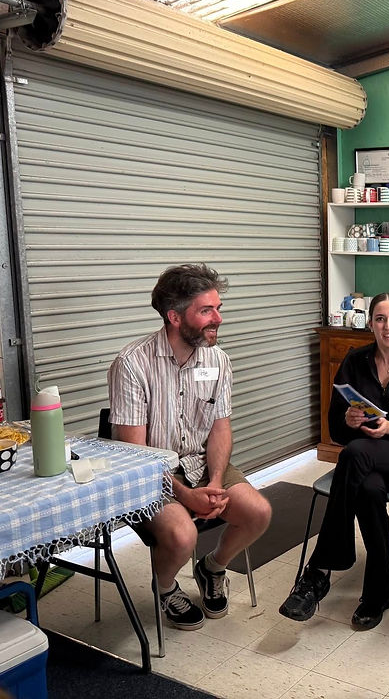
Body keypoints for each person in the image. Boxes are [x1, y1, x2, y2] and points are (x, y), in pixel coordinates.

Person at [107, 263, 272, 631]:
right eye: (206, 311)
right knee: (184, 535)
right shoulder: (132, 364)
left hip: (200, 464)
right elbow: (135, 456)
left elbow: (220, 427)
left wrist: (214, 481)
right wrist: (185, 495)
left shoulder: (218, 360)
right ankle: (165, 588)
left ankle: (212, 567)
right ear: (175, 317)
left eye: (218, 308)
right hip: (149, 473)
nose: (218, 319)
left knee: (258, 512)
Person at [280, 292, 389, 630]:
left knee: (353, 454)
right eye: (380, 319)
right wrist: (349, 421)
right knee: (367, 489)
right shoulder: (354, 362)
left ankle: (319, 571)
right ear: (370, 324)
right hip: (363, 466)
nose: (388, 326)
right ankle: (381, 589)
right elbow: (336, 429)